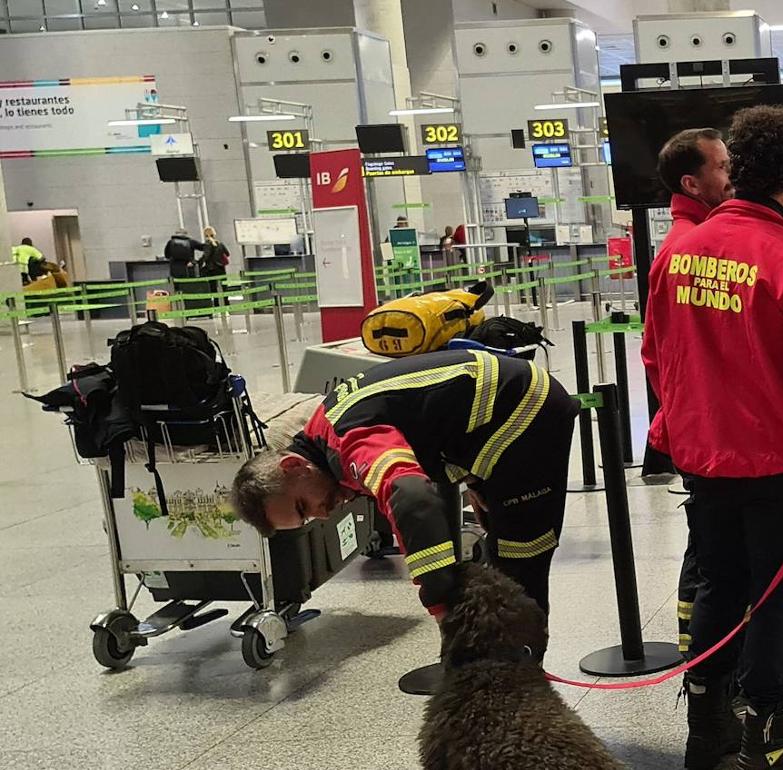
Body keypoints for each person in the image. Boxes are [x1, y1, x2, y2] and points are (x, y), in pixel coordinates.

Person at [644, 105, 783, 770]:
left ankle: (706, 730)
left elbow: (656, 356)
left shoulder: (679, 252)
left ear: (735, 170)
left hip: (706, 463)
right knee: (777, 600)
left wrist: (681, 431)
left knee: (718, 586)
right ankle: (770, 737)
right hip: (782, 473)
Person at [230, 349, 579, 619]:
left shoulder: (348, 441)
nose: (320, 516)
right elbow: (429, 420)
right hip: (489, 425)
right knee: (501, 553)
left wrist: (441, 603)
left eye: (303, 507)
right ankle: (506, 667)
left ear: (294, 467)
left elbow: (411, 496)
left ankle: (520, 677)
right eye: (306, 520)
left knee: (522, 558)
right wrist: (473, 474)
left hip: (524, 411)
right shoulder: (324, 433)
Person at [642, 126, 733, 663]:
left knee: (711, 548)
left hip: (703, 427)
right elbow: (660, 356)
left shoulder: (696, 239)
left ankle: (709, 647)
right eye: (721, 166)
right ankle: (700, 652)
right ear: (691, 182)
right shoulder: (685, 250)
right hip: (706, 433)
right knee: (710, 553)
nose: (731, 173)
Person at [199, 226, 230, 304]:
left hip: (211, 269)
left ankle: (216, 306)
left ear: (205, 235)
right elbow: (227, 254)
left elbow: (206, 256)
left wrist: (198, 263)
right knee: (224, 287)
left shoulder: (207, 244)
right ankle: (226, 305)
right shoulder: (220, 244)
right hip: (221, 268)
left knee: (213, 289)